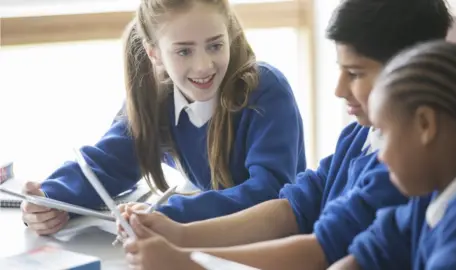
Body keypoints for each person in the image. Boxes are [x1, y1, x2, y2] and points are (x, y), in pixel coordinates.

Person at [115, 0, 454, 269]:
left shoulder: (406, 169)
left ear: (410, 70)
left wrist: (188, 260)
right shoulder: (358, 136)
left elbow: (321, 251)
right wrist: (181, 234)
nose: (338, 89)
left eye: (354, 73)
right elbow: (293, 208)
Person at [20, 0, 307, 235]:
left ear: (228, 36)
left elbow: (270, 192)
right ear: (154, 53)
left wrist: (167, 214)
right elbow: (106, 163)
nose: (203, 65)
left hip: (275, 244)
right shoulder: (156, 99)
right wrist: (48, 198)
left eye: (215, 45)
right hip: (209, 246)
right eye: (184, 50)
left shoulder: (265, 90)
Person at [329, 41, 456, 270]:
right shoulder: (434, 190)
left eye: (385, 134)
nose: (381, 157)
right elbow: (377, 249)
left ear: (425, 124)